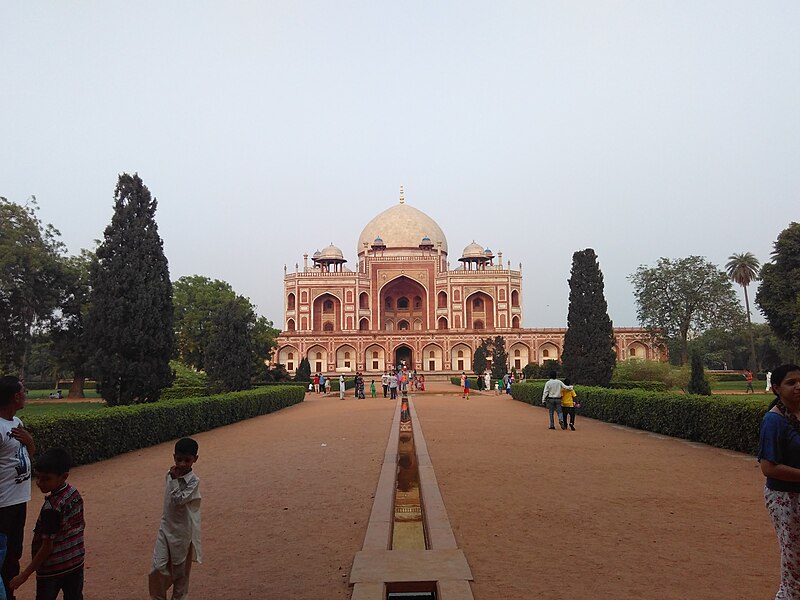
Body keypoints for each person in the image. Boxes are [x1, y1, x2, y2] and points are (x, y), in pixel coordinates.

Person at [10, 448, 84, 600]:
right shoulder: (73, 493)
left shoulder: (52, 508)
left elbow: (47, 547)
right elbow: (81, 524)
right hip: (76, 562)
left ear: (63, 476)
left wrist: (24, 575)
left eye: (46, 479)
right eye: (37, 477)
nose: (39, 483)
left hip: (52, 570)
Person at [757, 364, 800, 598]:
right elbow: (768, 467)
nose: (798, 386)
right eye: (791, 383)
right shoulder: (774, 421)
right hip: (787, 499)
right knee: (795, 561)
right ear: (776, 388)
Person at [149, 437, 201, 600]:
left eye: (187, 460)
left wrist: (173, 480)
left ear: (195, 460)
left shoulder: (194, 481)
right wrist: (172, 479)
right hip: (166, 528)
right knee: (157, 568)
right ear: (174, 457)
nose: (183, 464)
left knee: (181, 575)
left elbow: (179, 499)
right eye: (179, 459)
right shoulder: (169, 475)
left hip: (184, 532)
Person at [0, 376, 34, 600]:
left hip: (18, 500)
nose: (26, 395)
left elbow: (25, 457)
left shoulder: (17, 422)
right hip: (2, 504)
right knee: (2, 556)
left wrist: (30, 441)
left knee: (13, 555)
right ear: (15, 396)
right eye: (24, 392)